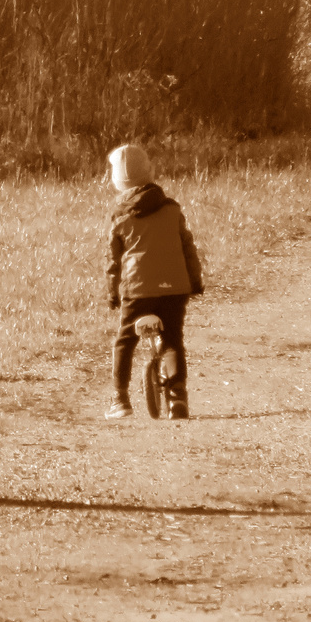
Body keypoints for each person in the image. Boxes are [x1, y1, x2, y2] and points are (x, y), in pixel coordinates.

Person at [104, 144, 205, 419]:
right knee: (172, 338)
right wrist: (195, 281)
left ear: (117, 180)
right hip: (174, 288)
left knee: (125, 339)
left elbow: (114, 262)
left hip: (137, 290)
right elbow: (188, 248)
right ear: (150, 171)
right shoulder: (172, 209)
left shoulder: (120, 216)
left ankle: (120, 400)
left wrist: (112, 293)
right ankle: (178, 398)